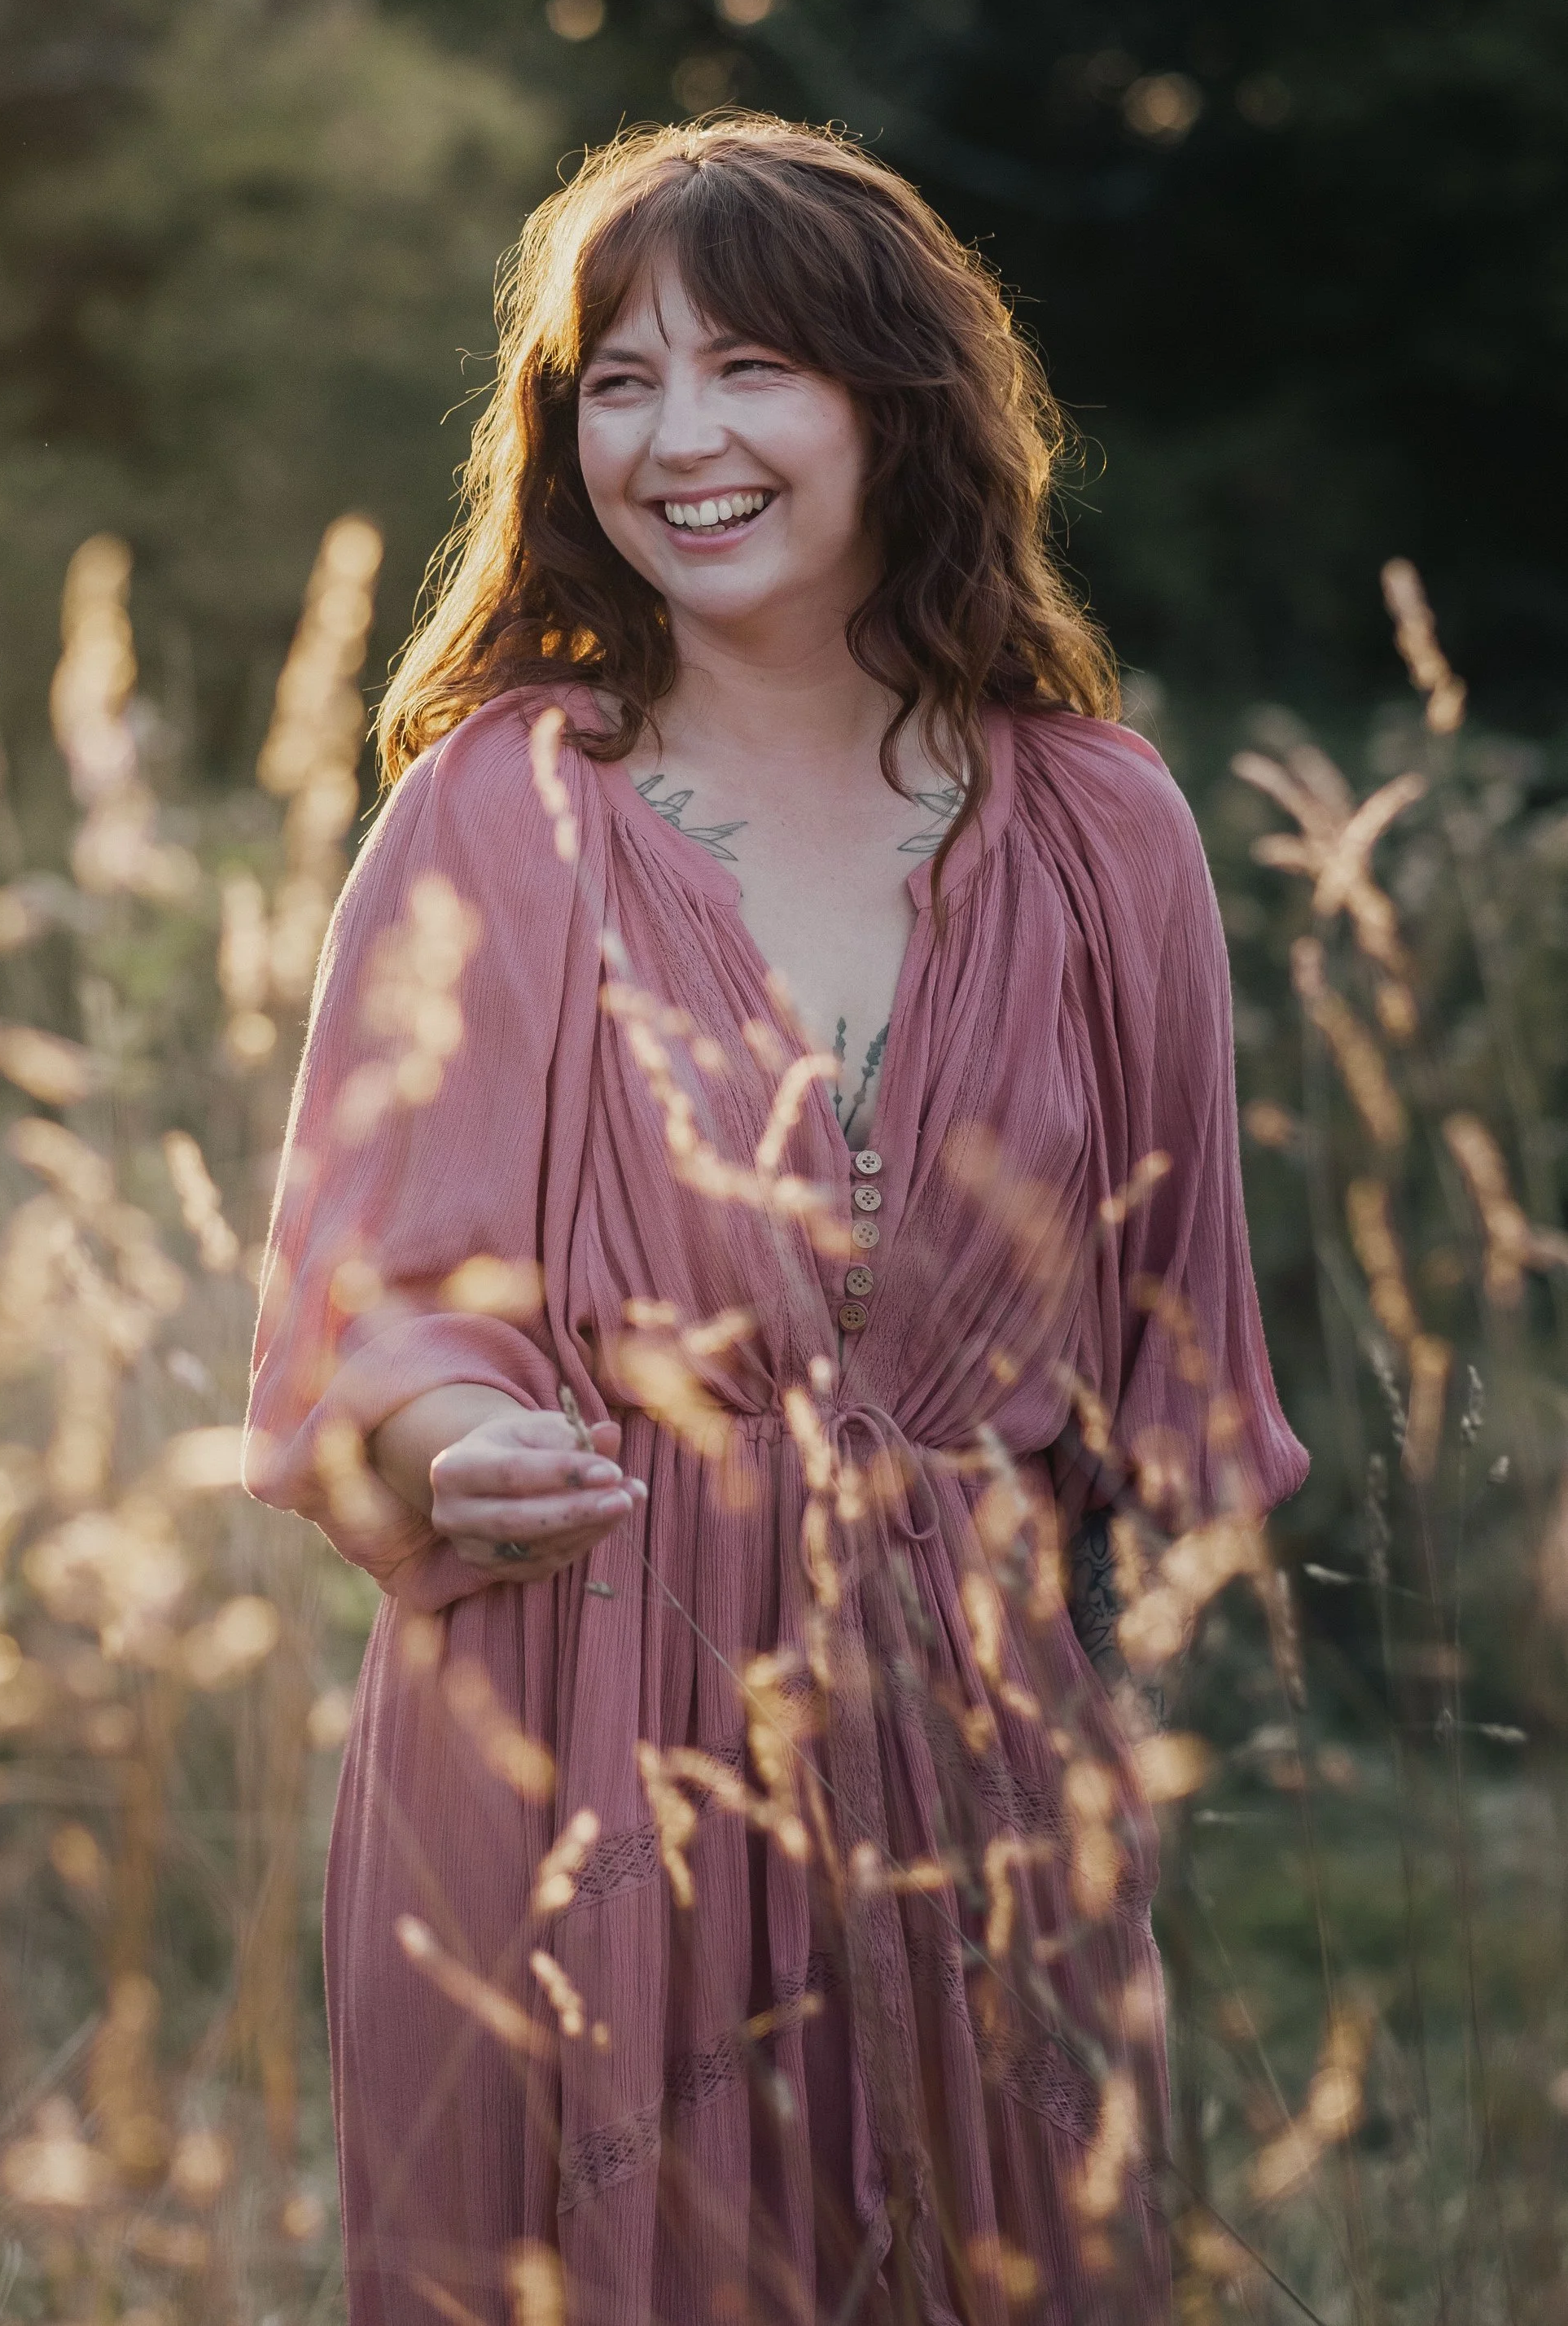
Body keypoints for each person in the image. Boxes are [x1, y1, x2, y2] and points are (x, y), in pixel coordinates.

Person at [245, 119, 1308, 2326]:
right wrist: (454, 1442)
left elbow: (1176, 1360)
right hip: (566, 1706)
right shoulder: (498, 813)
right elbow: (366, 1303)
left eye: (746, 367)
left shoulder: (1103, 828)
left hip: (976, 1736)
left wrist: (1103, 1713)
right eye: (613, 381)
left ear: (890, 400)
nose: (677, 436)